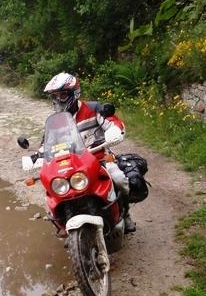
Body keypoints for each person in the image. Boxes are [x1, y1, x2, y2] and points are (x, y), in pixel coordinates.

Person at [42, 72, 136, 233]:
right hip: (74, 164)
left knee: (119, 179)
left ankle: (125, 213)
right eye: (54, 96)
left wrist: (114, 130)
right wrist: (37, 155)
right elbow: (46, 144)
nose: (57, 100)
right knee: (53, 191)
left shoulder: (93, 109)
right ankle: (65, 225)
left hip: (100, 158)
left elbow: (114, 122)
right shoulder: (56, 121)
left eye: (62, 95)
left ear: (74, 93)